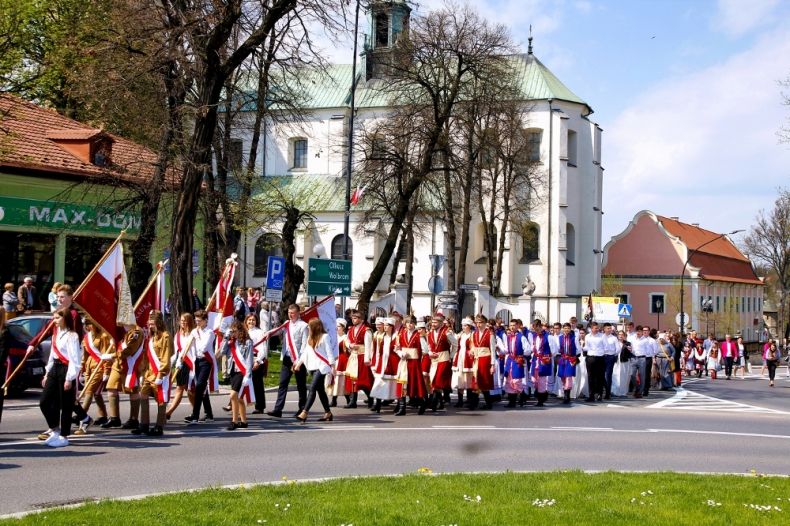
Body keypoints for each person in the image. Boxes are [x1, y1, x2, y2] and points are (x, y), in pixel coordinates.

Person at [38, 308, 82, 447]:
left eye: (57, 318)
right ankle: (55, 429)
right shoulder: (55, 334)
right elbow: (52, 354)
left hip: (66, 369)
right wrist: (47, 373)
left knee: (66, 404)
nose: (54, 320)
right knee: (44, 401)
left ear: (65, 318)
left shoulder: (72, 336)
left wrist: (69, 378)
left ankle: (64, 435)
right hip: (54, 368)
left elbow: (75, 359)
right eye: (54, 317)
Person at [134, 310, 173, 436]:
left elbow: (166, 357)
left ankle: (159, 426)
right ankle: (144, 425)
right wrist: (142, 372)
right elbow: (146, 356)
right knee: (143, 396)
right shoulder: (151, 338)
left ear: (159, 322)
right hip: (148, 373)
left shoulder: (166, 336)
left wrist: (161, 374)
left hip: (159, 373)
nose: (150, 326)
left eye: (152, 323)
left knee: (161, 400)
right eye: (149, 323)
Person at [101, 322, 144, 429]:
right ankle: (114, 418)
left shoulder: (137, 332)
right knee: (111, 387)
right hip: (118, 364)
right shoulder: (122, 331)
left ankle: (133, 419)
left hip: (131, 364)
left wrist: (111, 355)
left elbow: (129, 350)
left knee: (132, 390)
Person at [268, 304, 308, 418]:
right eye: (289, 313)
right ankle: (278, 409)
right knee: (282, 383)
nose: (290, 315)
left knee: (301, 385)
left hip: (298, 359)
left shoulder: (303, 326)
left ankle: (302, 409)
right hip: (286, 357)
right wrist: (268, 333)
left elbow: (305, 345)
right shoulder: (286, 324)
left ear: (298, 313)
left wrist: (299, 361)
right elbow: (277, 331)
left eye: (293, 313)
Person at [74, 320, 112, 434]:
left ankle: (82, 415)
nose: (87, 326)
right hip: (90, 367)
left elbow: (106, 354)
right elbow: (85, 355)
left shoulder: (103, 336)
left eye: (89, 324)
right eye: (85, 324)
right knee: (96, 393)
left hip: (99, 367)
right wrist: (82, 367)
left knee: (89, 391)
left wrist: (106, 370)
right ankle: (103, 415)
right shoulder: (86, 338)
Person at [295, 318, 336, 423]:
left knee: (312, 388)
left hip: (322, 367)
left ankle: (304, 412)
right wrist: (299, 364)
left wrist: (333, 367)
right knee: (320, 391)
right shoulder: (310, 337)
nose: (308, 328)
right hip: (313, 366)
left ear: (315, 327)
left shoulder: (325, 337)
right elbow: (306, 352)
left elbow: (329, 352)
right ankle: (328, 413)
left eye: (309, 326)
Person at [219, 321, 254, 430]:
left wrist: (248, 375)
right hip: (233, 371)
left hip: (241, 371)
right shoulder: (230, 342)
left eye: (234, 331)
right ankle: (244, 421)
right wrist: (226, 337)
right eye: (232, 331)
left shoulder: (247, 342)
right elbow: (222, 351)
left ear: (240, 331)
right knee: (238, 398)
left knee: (233, 395)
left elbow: (249, 359)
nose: (233, 333)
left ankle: (234, 421)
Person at [184, 310, 217, 424]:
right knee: (202, 388)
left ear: (205, 321)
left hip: (206, 361)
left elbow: (204, 347)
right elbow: (188, 346)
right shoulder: (194, 331)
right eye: (196, 320)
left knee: (199, 387)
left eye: (199, 320)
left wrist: (196, 336)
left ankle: (195, 415)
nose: (197, 322)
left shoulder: (210, 333)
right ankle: (209, 414)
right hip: (197, 361)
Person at [394, 315, 429, 415]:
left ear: (415, 324)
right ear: (405, 324)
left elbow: (425, 350)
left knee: (415, 385)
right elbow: (396, 348)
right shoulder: (401, 334)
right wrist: (401, 353)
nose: (410, 325)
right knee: (402, 384)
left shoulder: (419, 335)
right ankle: (402, 408)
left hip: (414, 363)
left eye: (412, 323)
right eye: (408, 323)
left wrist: (415, 354)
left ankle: (422, 403)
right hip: (404, 362)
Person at [166, 313, 197, 420]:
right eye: (182, 320)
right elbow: (175, 352)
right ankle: (169, 412)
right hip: (181, 364)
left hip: (191, 364)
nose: (183, 322)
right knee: (179, 388)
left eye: (185, 321)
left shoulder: (194, 334)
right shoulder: (177, 335)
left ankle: (195, 412)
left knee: (190, 391)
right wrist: (170, 363)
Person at [343, 309, 374, 409]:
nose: (353, 320)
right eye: (352, 318)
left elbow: (368, 345)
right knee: (353, 379)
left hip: (362, 356)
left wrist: (367, 359)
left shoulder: (366, 330)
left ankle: (370, 398)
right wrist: (349, 345)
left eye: (355, 318)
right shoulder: (350, 329)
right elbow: (346, 340)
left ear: (361, 319)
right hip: (353, 356)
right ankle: (353, 401)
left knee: (363, 380)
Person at [370, 318, 401, 413]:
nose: (385, 327)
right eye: (385, 325)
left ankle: (398, 405)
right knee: (379, 382)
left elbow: (399, 350)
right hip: (383, 362)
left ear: (391, 327)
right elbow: (379, 351)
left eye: (387, 325)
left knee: (395, 384)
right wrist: (376, 363)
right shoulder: (382, 337)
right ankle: (378, 404)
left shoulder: (396, 337)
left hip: (393, 362)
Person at [426, 314, 455, 411]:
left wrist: (450, 357)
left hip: (444, 358)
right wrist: (430, 352)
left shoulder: (447, 332)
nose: (433, 324)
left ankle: (433, 403)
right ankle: (441, 402)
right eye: (432, 322)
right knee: (433, 381)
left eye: (435, 322)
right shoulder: (429, 333)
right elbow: (428, 346)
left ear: (441, 323)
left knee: (437, 381)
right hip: (434, 359)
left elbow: (455, 345)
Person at [471, 314, 496, 410]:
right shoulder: (474, 334)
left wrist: (492, 365)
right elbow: (473, 346)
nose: (478, 324)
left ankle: (488, 403)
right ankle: (474, 403)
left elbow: (493, 350)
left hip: (485, 359)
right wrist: (472, 351)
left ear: (485, 323)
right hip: (477, 359)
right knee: (475, 381)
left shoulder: (490, 334)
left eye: (481, 322)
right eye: (477, 322)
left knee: (484, 381)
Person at [502, 319, 528, 408]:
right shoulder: (508, 337)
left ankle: (522, 396)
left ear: (517, 326)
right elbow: (506, 349)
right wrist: (499, 349)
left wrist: (521, 356)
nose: (512, 327)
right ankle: (511, 402)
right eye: (511, 325)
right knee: (509, 381)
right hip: (510, 360)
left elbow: (528, 349)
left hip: (517, 360)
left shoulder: (522, 337)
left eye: (514, 325)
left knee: (517, 380)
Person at [528, 319, 554, 407]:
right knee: (534, 379)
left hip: (543, 360)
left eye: (536, 329)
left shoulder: (548, 336)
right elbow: (533, 347)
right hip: (536, 359)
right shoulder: (534, 336)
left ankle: (541, 400)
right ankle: (540, 393)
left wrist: (547, 357)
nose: (535, 331)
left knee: (542, 380)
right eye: (534, 329)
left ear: (539, 326)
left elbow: (554, 349)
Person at [246, 313, 268, 415]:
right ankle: (233, 404)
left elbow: (262, 349)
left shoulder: (260, 332)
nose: (251, 322)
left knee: (257, 384)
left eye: (253, 320)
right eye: (249, 320)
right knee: (239, 383)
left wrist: (258, 361)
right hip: (244, 360)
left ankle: (259, 406)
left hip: (255, 359)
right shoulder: (243, 332)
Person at [452, 318, 475, 408]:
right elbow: (454, 342)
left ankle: (470, 400)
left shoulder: (472, 335)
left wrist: (472, 351)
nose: (463, 327)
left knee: (468, 380)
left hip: (468, 359)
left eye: (465, 326)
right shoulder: (460, 335)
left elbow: (474, 346)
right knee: (460, 379)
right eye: (463, 325)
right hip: (460, 358)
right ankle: (460, 400)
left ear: (469, 326)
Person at [582, 322, 605, 402]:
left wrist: (601, 352)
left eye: (597, 328)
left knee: (600, 377)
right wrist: (582, 346)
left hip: (599, 357)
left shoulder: (602, 336)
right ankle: (591, 395)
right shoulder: (587, 336)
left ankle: (599, 394)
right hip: (590, 357)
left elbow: (605, 346)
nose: (596, 329)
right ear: (591, 328)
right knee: (590, 377)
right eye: (595, 328)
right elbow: (586, 347)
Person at [557, 322, 579, 404]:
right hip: (562, 359)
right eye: (565, 328)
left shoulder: (574, 338)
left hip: (570, 359)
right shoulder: (560, 338)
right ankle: (565, 392)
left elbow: (578, 349)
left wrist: (573, 356)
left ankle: (567, 396)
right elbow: (557, 348)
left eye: (568, 328)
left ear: (570, 329)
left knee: (568, 377)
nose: (566, 330)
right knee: (563, 377)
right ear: (563, 329)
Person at [330, 318, 350, 408]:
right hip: (335, 360)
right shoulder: (333, 337)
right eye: (336, 326)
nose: (337, 328)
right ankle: (334, 400)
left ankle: (349, 399)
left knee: (342, 381)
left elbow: (349, 347)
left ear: (343, 328)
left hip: (342, 360)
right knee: (334, 381)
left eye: (338, 326)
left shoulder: (345, 338)